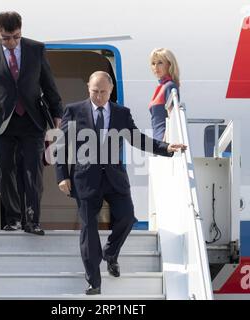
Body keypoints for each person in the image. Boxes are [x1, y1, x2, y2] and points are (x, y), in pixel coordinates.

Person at [56, 71, 186, 295]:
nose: (98, 96)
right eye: (94, 91)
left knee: (127, 217)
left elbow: (137, 138)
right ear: (88, 88)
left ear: (110, 90)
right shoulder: (74, 111)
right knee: (89, 228)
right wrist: (62, 176)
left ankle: (110, 253)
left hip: (114, 178)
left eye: (103, 92)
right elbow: (61, 144)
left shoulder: (121, 113)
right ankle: (94, 282)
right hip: (85, 178)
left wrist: (165, 148)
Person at [0, 11, 63, 235]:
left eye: (16, 37)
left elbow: (49, 84)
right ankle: (13, 219)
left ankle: (31, 220)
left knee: (33, 170)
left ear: (21, 31)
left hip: (32, 119)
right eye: (6, 38)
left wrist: (57, 111)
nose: (11, 42)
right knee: (5, 169)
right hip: (2, 121)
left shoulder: (36, 49)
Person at [148, 48, 180, 141]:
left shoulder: (170, 86)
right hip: (158, 138)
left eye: (160, 63)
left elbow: (172, 117)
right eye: (153, 63)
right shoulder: (162, 87)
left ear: (169, 64)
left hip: (164, 139)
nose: (156, 67)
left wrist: (164, 143)